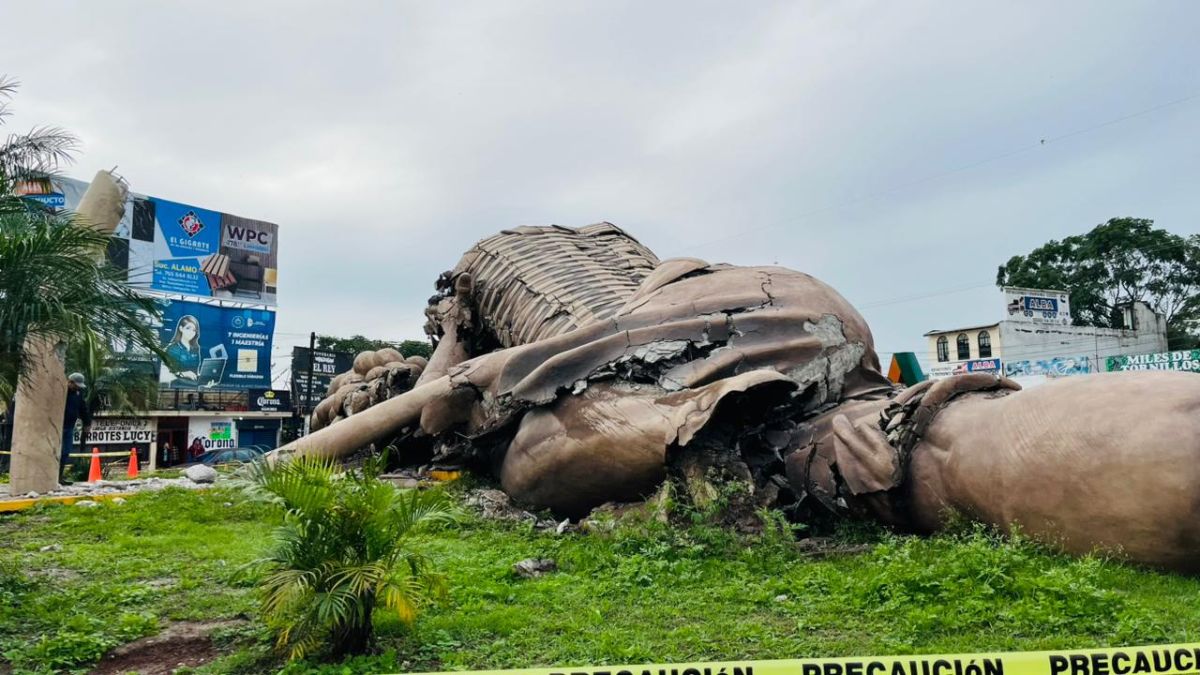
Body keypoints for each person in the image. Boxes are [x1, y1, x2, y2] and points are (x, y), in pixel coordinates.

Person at [60, 372, 92, 485]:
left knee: (66, 452)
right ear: (70, 382)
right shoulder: (61, 391)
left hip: (69, 426)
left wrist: (87, 423)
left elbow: (83, 408)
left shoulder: (78, 393)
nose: (77, 388)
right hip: (59, 426)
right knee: (56, 452)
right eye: (76, 385)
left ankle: (59, 477)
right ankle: (52, 478)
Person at [164, 315, 202, 386]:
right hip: (178, 385)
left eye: (194, 330)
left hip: (194, 385)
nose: (191, 332)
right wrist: (183, 374)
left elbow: (196, 370)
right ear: (181, 328)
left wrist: (203, 377)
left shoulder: (196, 349)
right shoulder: (172, 349)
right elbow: (167, 373)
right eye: (188, 328)